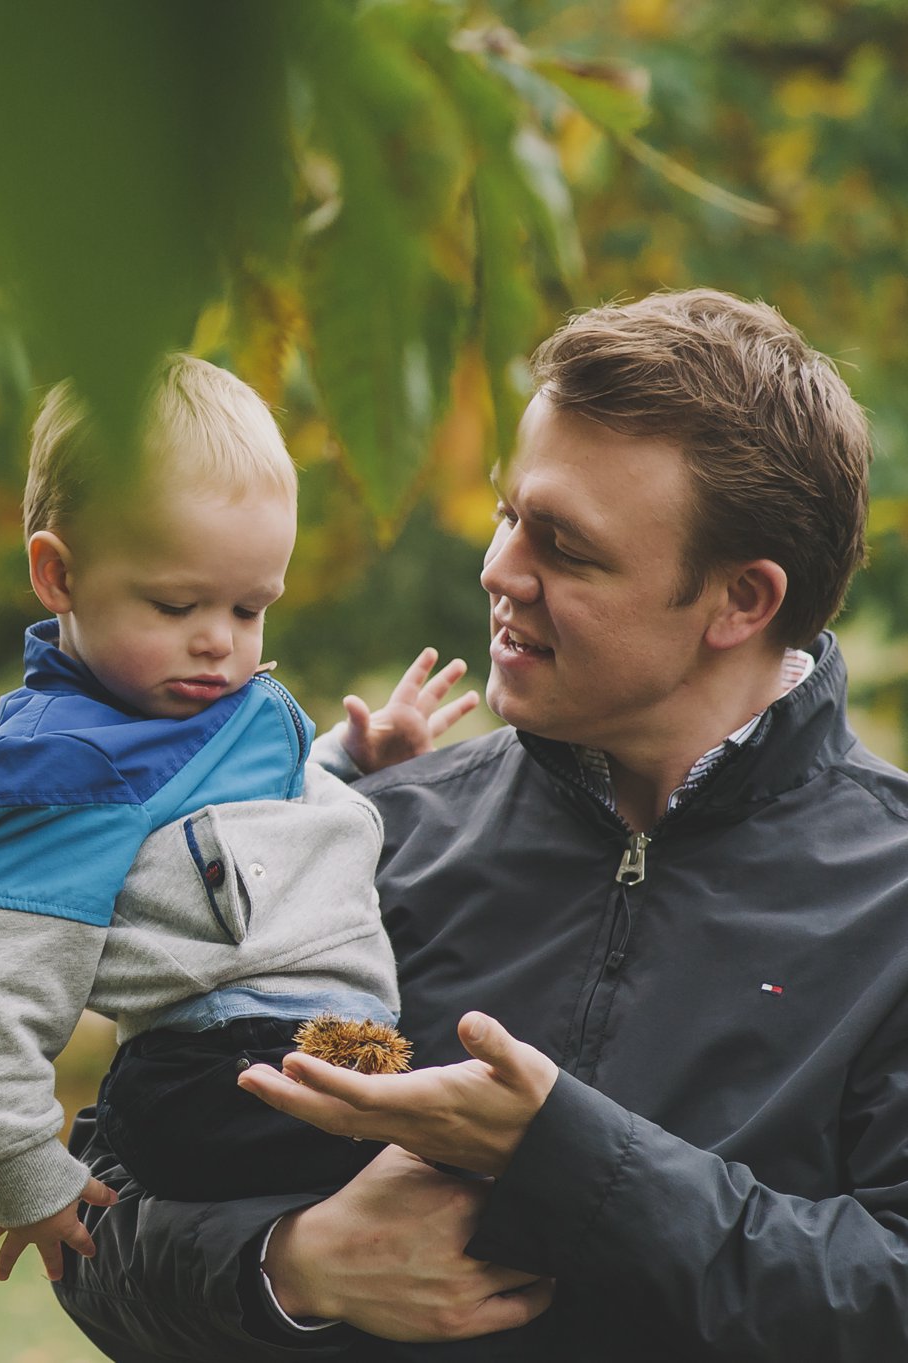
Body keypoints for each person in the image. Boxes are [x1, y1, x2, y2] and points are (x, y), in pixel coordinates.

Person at [52, 289, 908, 1360]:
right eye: (509, 514)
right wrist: (291, 1264)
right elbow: (96, 1212)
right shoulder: (367, 833)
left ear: (739, 600)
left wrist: (570, 1155)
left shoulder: (891, 906)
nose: (497, 568)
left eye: (562, 545)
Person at [0, 356, 476, 1285]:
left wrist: (353, 763)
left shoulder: (206, 708)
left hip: (333, 1047)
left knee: (511, 1172)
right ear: (58, 574)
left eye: (250, 606)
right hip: (217, 1072)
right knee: (489, 1192)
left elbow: (237, 824)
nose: (218, 638)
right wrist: (24, 1167)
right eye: (177, 604)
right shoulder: (67, 770)